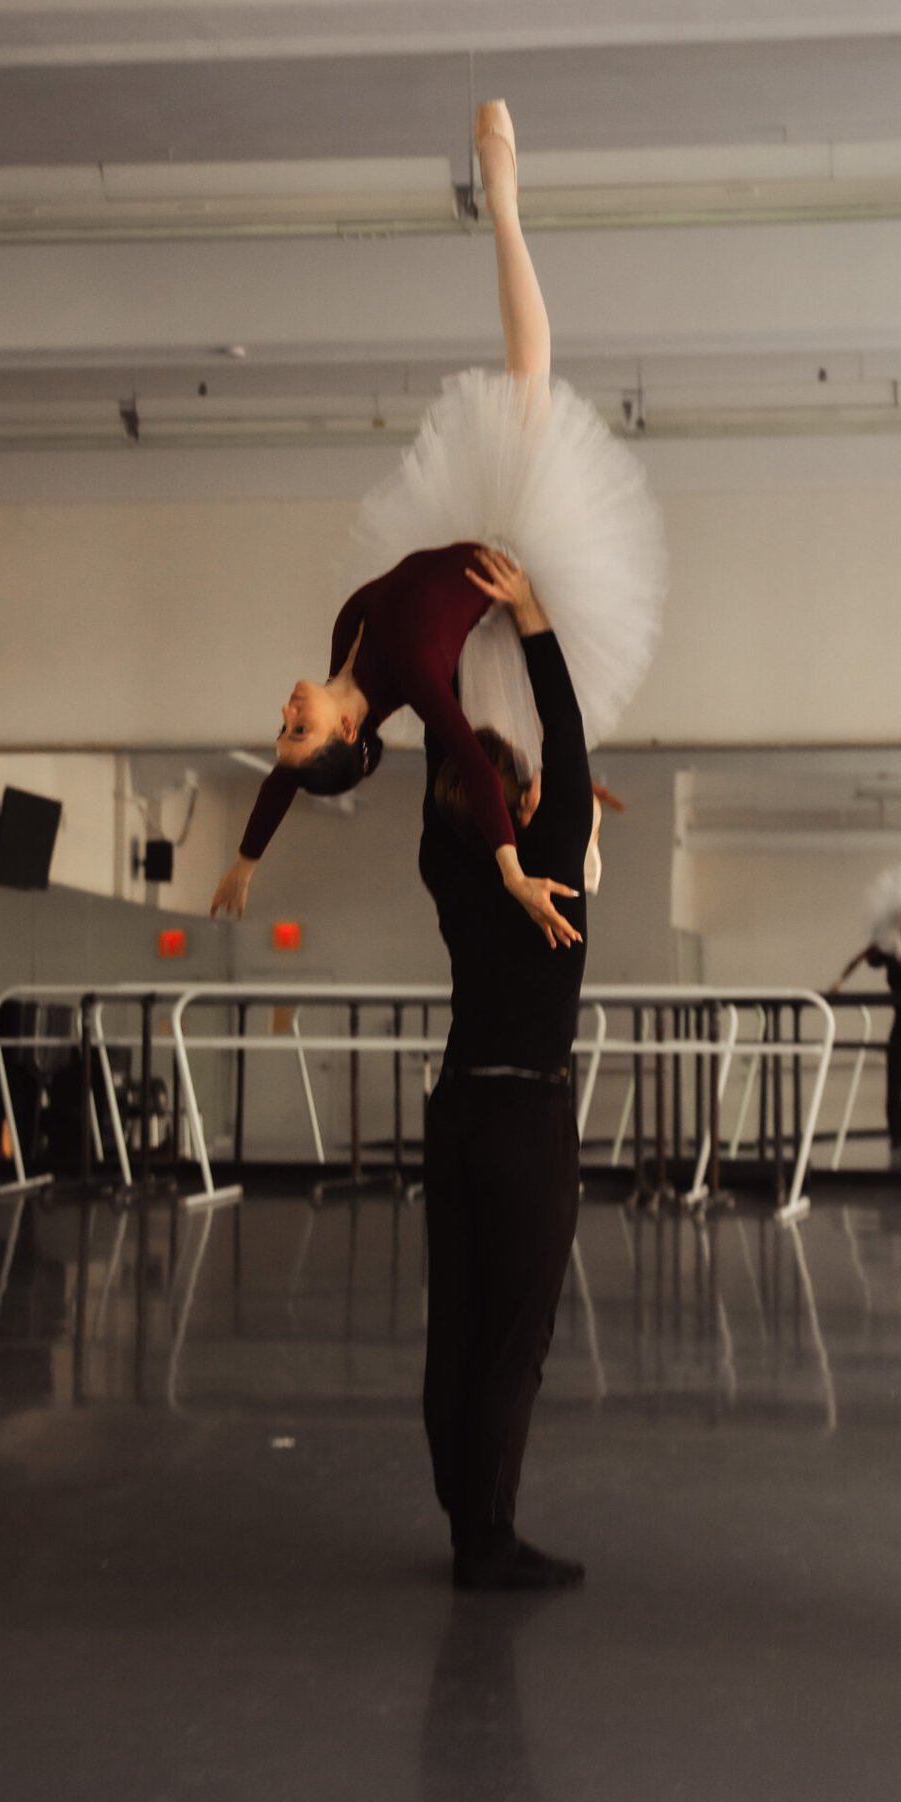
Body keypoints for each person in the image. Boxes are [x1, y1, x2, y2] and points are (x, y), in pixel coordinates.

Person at [208, 99, 665, 940]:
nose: (285, 712)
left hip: (466, 563)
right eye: (296, 726)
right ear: (346, 728)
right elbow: (472, 772)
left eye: (280, 726)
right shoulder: (413, 674)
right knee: (528, 379)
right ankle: (505, 203)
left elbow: (283, 779)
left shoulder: (350, 644)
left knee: (522, 739)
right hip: (509, 560)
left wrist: (245, 859)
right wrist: (512, 872)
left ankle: (582, 812)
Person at [418, 548, 592, 1592]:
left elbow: (459, 764)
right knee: (515, 1336)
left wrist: (445, 652)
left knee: (459, 1319)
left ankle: (464, 1521)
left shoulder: (444, 867)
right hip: (528, 1126)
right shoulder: (555, 860)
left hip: (456, 1113)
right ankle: (486, 1540)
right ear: (519, 805)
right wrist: (527, 617)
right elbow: (566, 737)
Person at [830, 806, 901, 1156]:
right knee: (896, 1088)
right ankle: (896, 1136)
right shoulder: (894, 955)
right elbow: (859, 958)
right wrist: (838, 985)